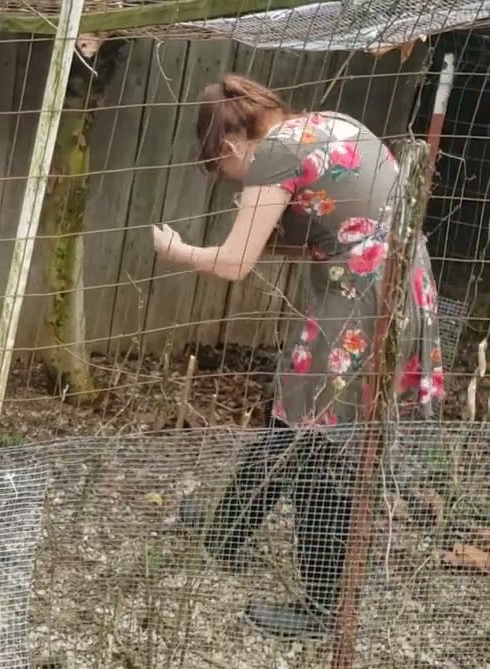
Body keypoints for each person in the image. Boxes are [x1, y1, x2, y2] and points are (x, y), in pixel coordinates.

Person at [150, 74, 444, 639]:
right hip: (397, 282)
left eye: (223, 168)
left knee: (322, 444)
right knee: (295, 421)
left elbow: (235, 262)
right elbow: (333, 222)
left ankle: (323, 607)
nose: (232, 179)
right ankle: (226, 532)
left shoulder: (274, 154)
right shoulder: (328, 124)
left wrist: (178, 250)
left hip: (361, 300)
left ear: (229, 145)